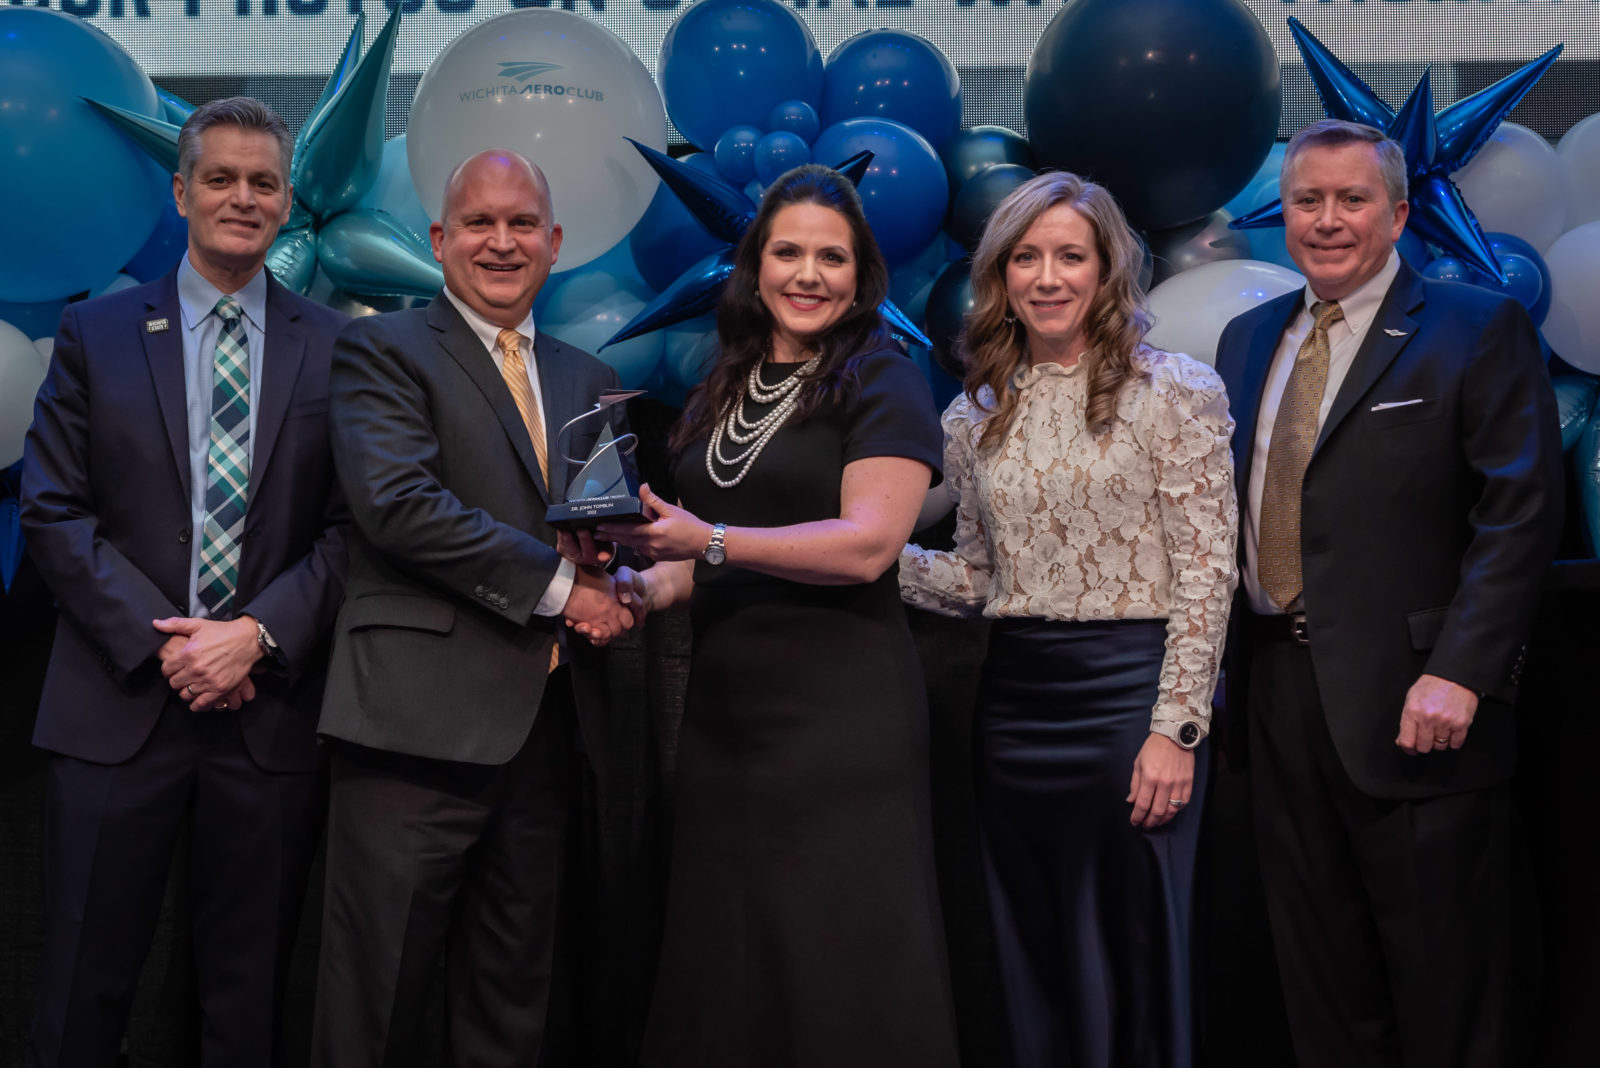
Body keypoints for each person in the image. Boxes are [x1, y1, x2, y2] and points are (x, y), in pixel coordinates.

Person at [584, 163, 959, 1067]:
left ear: (861, 273)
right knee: (730, 960)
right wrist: (639, 583)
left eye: (832, 257)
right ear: (754, 267)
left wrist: (706, 540)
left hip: (839, 726)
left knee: (835, 964)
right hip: (726, 726)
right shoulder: (729, 380)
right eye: (787, 252)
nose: (808, 273)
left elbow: (869, 546)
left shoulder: (884, 376)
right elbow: (700, 564)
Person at [1213, 119, 1563, 1068]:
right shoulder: (1247, 340)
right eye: (1307, 200)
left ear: (1400, 212)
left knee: (1448, 983)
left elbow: (1521, 514)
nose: (1327, 220)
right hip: (1277, 700)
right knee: (1320, 978)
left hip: (1418, 703)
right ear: (1282, 213)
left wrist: (1462, 672)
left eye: (1352, 199)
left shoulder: (1474, 325)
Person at [20, 97, 349, 1067]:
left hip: (268, 714)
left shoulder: (342, 346)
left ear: (287, 200)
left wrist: (254, 637)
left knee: (245, 1006)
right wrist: (176, 647)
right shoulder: (98, 332)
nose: (241, 198)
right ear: (181, 192)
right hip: (116, 708)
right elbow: (53, 511)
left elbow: (352, 530)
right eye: (221, 179)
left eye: (262, 182)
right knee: (83, 988)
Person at [899, 170, 1238, 1068]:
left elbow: (1209, 571)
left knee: (1132, 944)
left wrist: (1177, 730)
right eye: (1027, 257)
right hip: (1015, 711)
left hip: (1130, 707)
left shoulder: (1177, 390)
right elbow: (976, 577)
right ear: (1001, 274)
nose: (1048, 276)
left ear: (1108, 270)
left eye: (1070, 256)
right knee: (1035, 948)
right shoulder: (975, 415)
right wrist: (867, 562)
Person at [310, 148, 636, 1068]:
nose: (503, 242)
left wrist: (626, 574)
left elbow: (604, 529)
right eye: (481, 224)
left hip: (549, 730)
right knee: (375, 1006)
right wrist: (575, 591)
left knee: (513, 1003)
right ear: (440, 240)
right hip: (414, 732)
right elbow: (400, 508)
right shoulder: (380, 347)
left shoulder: (591, 377)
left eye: (522, 223)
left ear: (556, 242)